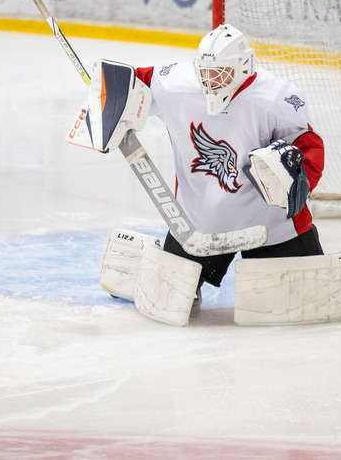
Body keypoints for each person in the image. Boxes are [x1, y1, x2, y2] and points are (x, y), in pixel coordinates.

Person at [82, 24, 326, 325]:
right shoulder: (177, 83)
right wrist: (108, 98)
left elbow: (309, 147)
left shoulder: (276, 98)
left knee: (305, 303)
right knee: (165, 302)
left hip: (273, 226)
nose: (210, 80)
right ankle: (166, 261)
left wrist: (296, 174)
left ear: (244, 66)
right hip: (198, 225)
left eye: (220, 72)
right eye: (205, 71)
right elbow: (131, 81)